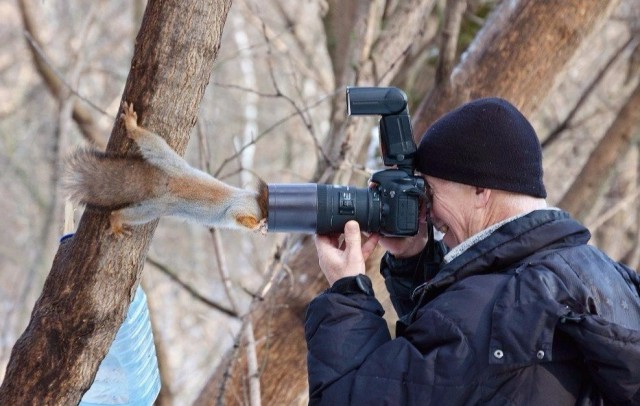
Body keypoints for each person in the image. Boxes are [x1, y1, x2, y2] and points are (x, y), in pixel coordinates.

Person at [306, 97, 640, 405]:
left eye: (430, 192)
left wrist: (346, 293)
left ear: (481, 190)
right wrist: (415, 260)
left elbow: (352, 397)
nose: (427, 211)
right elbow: (457, 376)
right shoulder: (605, 278)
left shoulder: (485, 314)